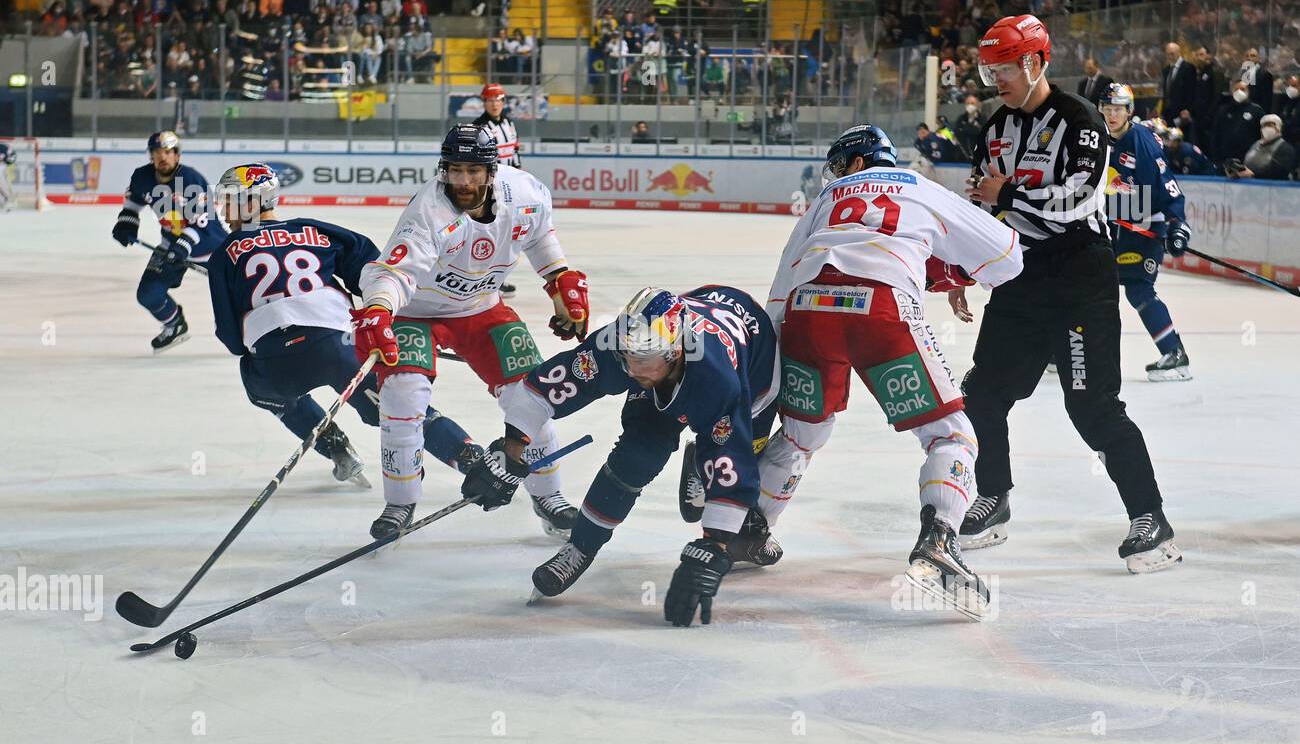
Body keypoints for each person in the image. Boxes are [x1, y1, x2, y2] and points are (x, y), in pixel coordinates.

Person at [756, 125, 1023, 620]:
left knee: (800, 436)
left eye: (840, 164)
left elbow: (783, 279)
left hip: (807, 310)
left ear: (857, 162)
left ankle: (748, 530)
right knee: (950, 434)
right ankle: (940, 538)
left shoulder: (829, 197)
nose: (835, 175)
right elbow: (1007, 257)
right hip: (878, 310)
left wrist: (769, 356)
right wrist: (951, 270)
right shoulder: (919, 186)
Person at [962, 14, 1180, 574]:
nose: (996, 83)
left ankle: (1150, 519)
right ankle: (994, 498)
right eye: (989, 74)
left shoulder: (1081, 122)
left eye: (1003, 70)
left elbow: (1075, 200)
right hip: (1021, 277)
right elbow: (981, 209)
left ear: (1035, 62)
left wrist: (1005, 192)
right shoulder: (994, 128)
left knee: (1091, 405)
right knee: (983, 392)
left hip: (1081, 276)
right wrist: (963, 267)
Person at [461, 285, 782, 625]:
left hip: (754, 370)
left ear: (675, 352)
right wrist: (511, 451)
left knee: (736, 509)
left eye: (642, 360)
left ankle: (710, 485)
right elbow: (545, 389)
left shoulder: (718, 379)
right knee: (639, 454)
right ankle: (581, 546)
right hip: (691, 340)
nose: (631, 370)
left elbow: (730, 459)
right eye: (627, 357)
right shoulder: (624, 343)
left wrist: (713, 548)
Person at [352, 125, 591, 542]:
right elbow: (393, 272)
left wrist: (560, 279)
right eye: (455, 170)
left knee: (532, 394)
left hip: (482, 309)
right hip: (416, 313)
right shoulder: (428, 211)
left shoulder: (527, 193)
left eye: (473, 171)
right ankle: (400, 500)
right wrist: (377, 309)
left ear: (492, 171)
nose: (462, 181)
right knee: (402, 397)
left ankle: (548, 496)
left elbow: (538, 236)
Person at [207, 163, 481, 487]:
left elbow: (230, 335)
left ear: (252, 201)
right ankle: (471, 459)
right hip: (337, 346)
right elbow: (373, 272)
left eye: (228, 199)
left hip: (274, 364)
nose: (222, 209)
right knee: (399, 408)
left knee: (263, 390)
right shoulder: (315, 229)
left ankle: (337, 450)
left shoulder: (225, 254)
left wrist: (258, 348)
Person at [1097, 83, 1193, 381]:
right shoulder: (1097, 137)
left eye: (1118, 109)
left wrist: (1177, 225)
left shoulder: (1142, 141)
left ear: (1129, 111)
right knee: (1086, 285)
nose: (1112, 115)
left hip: (1143, 230)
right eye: (1107, 108)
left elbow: (1167, 185)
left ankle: (1174, 354)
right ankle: (1062, 351)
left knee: (1139, 289)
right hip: (1111, 229)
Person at [111, 131, 228, 352]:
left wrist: (182, 247)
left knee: (232, 300)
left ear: (177, 155)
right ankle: (175, 326)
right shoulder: (142, 177)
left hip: (210, 247)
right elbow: (134, 202)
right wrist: (127, 223)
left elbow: (202, 223)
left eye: (167, 152)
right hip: (171, 245)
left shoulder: (192, 180)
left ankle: (246, 333)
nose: (162, 157)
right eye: (157, 152)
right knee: (148, 294)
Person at [472, 83, 521, 296]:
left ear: (503, 102)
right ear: (484, 103)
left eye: (498, 100)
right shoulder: (479, 126)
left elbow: (515, 152)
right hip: (491, 190)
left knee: (507, 235)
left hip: (510, 189)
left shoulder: (509, 123)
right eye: (490, 100)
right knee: (489, 234)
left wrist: (520, 179)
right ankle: (481, 279)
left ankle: (496, 279)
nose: (494, 104)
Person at [1211, 80, 1265, 173]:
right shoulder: (1223, 110)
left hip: (1248, 161)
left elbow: (1261, 137)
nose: (1239, 91)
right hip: (1225, 160)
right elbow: (1216, 135)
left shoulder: (1257, 111)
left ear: (1248, 92)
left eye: (1243, 89)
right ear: (1232, 92)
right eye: (1236, 89)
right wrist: (1217, 159)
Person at [1235, 114, 1297, 180]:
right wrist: (1238, 171)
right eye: (1263, 126)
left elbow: (1279, 173)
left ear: (1279, 128)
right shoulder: (1256, 144)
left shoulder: (1285, 148)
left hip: (1271, 187)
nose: (1266, 128)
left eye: (1270, 125)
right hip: (1249, 185)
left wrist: (1253, 175)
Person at [1159, 42, 1196, 136]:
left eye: (1172, 53)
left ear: (1179, 52)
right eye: (1168, 54)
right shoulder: (1166, 70)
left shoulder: (1188, 68)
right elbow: (1166, 93)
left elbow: (1191, 91)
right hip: (1168, 114)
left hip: (1182, 114)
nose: (1170, 56)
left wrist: (1188, 109)